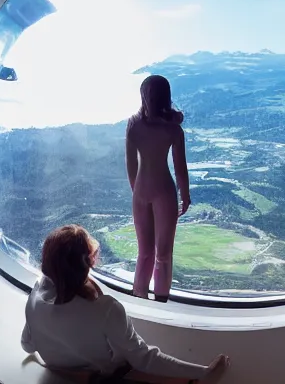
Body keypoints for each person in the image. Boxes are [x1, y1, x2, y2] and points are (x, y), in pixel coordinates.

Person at [21, 225, 229, 383]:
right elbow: (144, 359)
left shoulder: (35, 297)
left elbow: (27, 345)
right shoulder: (106, 309)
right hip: (98, 377)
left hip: (60, 374)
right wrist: (202, 372)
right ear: (89, 262)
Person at [126, 75, 190, 302]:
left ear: (144, 96)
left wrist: (137, 190)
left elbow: (131, 164)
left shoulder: (133, 125)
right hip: (164, 192)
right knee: (163, 255)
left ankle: (138, 299)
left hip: (141, 191)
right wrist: (186, 195)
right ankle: (161, 301)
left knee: (144, 253)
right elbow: (180, 169)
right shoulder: (173, 130)